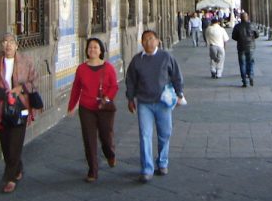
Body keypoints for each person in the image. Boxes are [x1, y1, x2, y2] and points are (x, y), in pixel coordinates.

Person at [126, 30, 185, 182]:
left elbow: (176, 75)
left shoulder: (166, 57)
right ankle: (147, 168)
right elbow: (130, 80)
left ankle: (162, 162)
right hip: (144, 103)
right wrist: (130, 98)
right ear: (141, 43)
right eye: (145, 39)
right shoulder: (137, 60)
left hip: (163, 102)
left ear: (158, 41)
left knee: (164, 134)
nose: (148, 42)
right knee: (145, 135)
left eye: (151, 39)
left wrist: (179, 93)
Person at [0, 33, 39, 193]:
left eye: (11, 42)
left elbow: (35, 81)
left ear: (16, 45)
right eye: (5, 42)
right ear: (1, 45)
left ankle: (10, 178)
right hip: (2, 109)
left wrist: (20, 88)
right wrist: (4, 94)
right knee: (6, 144)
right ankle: (17, 167)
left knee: (15, 142)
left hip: (21, 107)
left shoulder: (26, 62)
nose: (8, 45)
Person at [67, 37, 118, 182]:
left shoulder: (108, 68)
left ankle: (110, 154)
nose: (92, 50)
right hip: (86, 108)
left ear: (101, 50)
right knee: (89, 139)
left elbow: (114, 86)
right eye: (90, 47)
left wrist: (107, 98)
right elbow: (76, 88)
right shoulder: (81, 69)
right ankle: (93, 170)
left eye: (95, 47)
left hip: (104, 107)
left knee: (105, 137)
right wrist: (71, 105)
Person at [232, 12, 259, 87]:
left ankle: (244, 81)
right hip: (251, 47)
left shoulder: (237, 26)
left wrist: (240, 39)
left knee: (242, 63)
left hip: (241, 47)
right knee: (250, 62)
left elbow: (234, 37)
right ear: (247, 17)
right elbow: (257, 35)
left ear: (241, 18)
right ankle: (251, 76)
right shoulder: (252, 25)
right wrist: (252, 38)